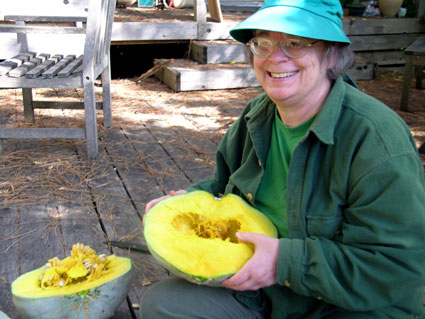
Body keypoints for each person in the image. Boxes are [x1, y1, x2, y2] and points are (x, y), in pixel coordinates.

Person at [140, 0, 425, 318]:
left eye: (295, 43)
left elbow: (398, 265)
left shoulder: (376, 138)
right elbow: (223, 187)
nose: (275, 57)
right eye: (263, 42)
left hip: (347, 308)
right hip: (266, 297)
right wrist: (190, 201)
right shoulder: (256, 116)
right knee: (163, 304)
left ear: (330, 53)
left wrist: (283, 262)